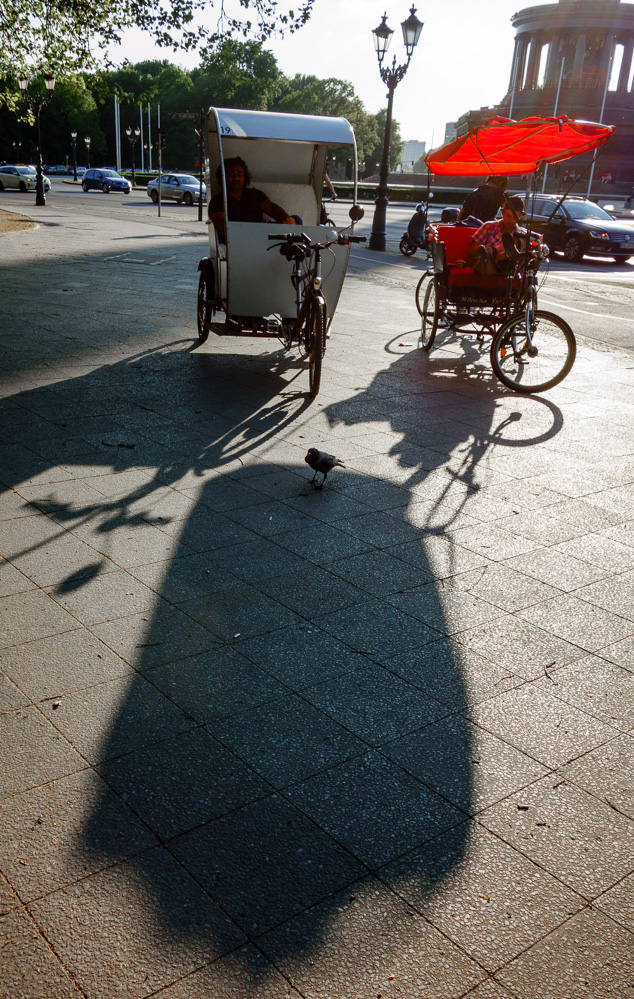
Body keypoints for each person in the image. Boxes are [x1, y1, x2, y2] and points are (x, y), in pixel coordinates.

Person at [207, 156, 298, 239]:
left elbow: (270, 207)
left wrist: (285, 217)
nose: (236, 178)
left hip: (264, 234)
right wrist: (255, 227)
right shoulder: (216, 201)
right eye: (231, 174)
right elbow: (224, 228)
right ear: (223, 177)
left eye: (239, 174)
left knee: (296, 220)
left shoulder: (255, 194)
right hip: (239, 240)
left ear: (244, 177)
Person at [467, 195, 526, 275]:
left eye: (515, 217)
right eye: (508, 216)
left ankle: (506, 255)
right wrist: (493, 250)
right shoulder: (488, 227)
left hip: (510, 268)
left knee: (521, 246)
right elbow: (472, 251)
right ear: (502, 213)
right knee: (491, 258)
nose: (511, 220)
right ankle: (501, 255)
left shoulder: (521, 235)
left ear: (520, 216)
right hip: (485, 267)